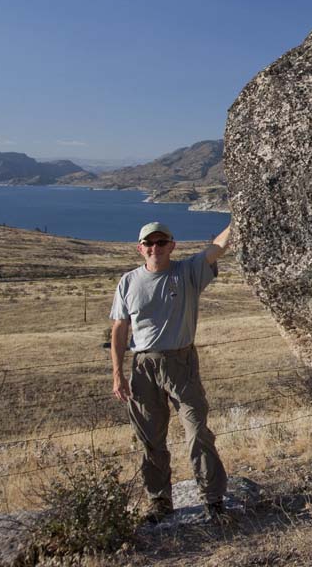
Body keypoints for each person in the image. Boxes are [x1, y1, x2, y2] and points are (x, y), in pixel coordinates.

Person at [110, 220, 233, 524]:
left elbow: (217, 248)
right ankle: (160, 501)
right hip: (142, 366)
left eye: (161, 243)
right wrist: (117, 372)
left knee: (197, 431)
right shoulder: (128, 282)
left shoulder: (187, 272)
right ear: (140, 249)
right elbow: (119, 329)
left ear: (172, 246)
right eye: (149, 244)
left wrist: (238, 217)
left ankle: (213, 499)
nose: (155, 248)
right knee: (151, 438)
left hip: (181, 363)